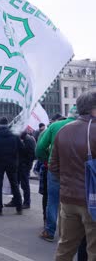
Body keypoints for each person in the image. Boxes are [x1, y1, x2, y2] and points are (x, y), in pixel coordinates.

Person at [51, 91, 96, 260]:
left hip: (68, 199)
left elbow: (53, 166)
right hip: (92, 201)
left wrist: (67, 183)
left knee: (65, 247)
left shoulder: (63, 130)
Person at [36, 106, 79, 242]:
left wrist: (47, 160)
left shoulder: (55, 126)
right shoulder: (88, 127)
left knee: (53, 200)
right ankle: (73, 232)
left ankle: (49, 231)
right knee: (76, 201)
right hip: (78, 170)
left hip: (56, 168)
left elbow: (40, 148)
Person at [0, 117, 24, 215]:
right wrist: (16, 158)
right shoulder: (15, 137)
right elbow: (21, 149)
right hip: (12, 163)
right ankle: (19, 207)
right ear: (7, 125)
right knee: (14, 184)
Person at [5, 130, 36, 209]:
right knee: (15, 184)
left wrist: (27, 165)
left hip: (24, 166)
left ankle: (26, 202)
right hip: (18, 165)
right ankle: (15, 200)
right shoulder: (20, 138)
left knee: (24, 185)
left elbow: (32, 155)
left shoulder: (28, 140)